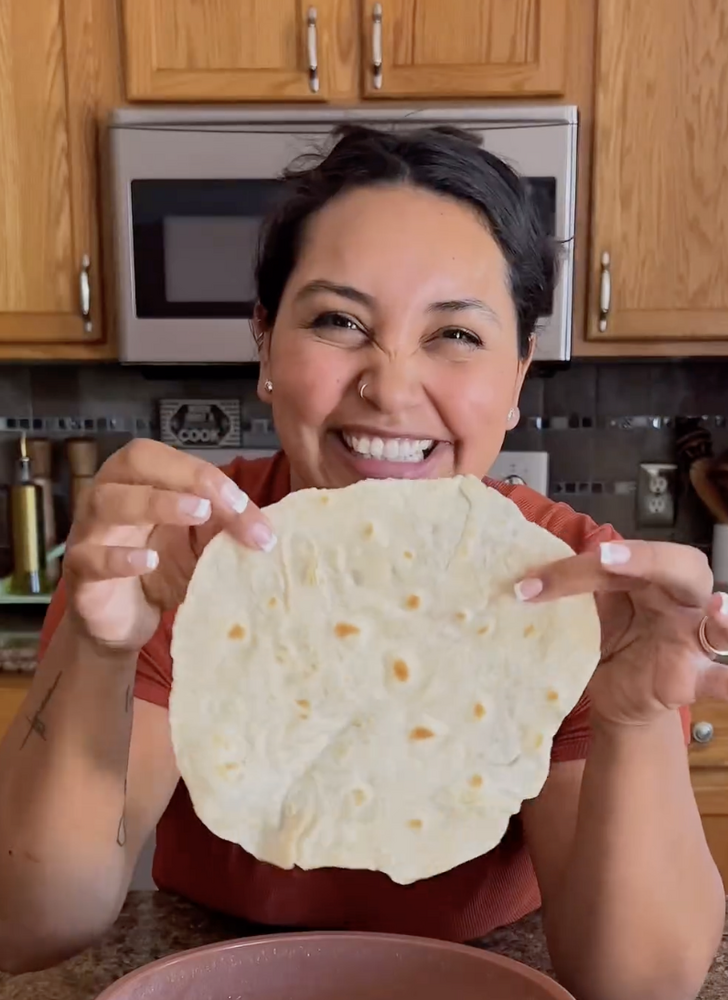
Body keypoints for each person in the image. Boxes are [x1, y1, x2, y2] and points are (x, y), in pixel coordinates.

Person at [0, 125, 726, 999]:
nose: (389, 384)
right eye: (339, 321)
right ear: (265, 341)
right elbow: (28, 925)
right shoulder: (177, 551)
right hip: (217, 973)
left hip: (483, 978)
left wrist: (637, 716)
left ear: (520, 372)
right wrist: (100, 646)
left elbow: (642, 987)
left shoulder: (574, 585)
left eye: (455, 333)